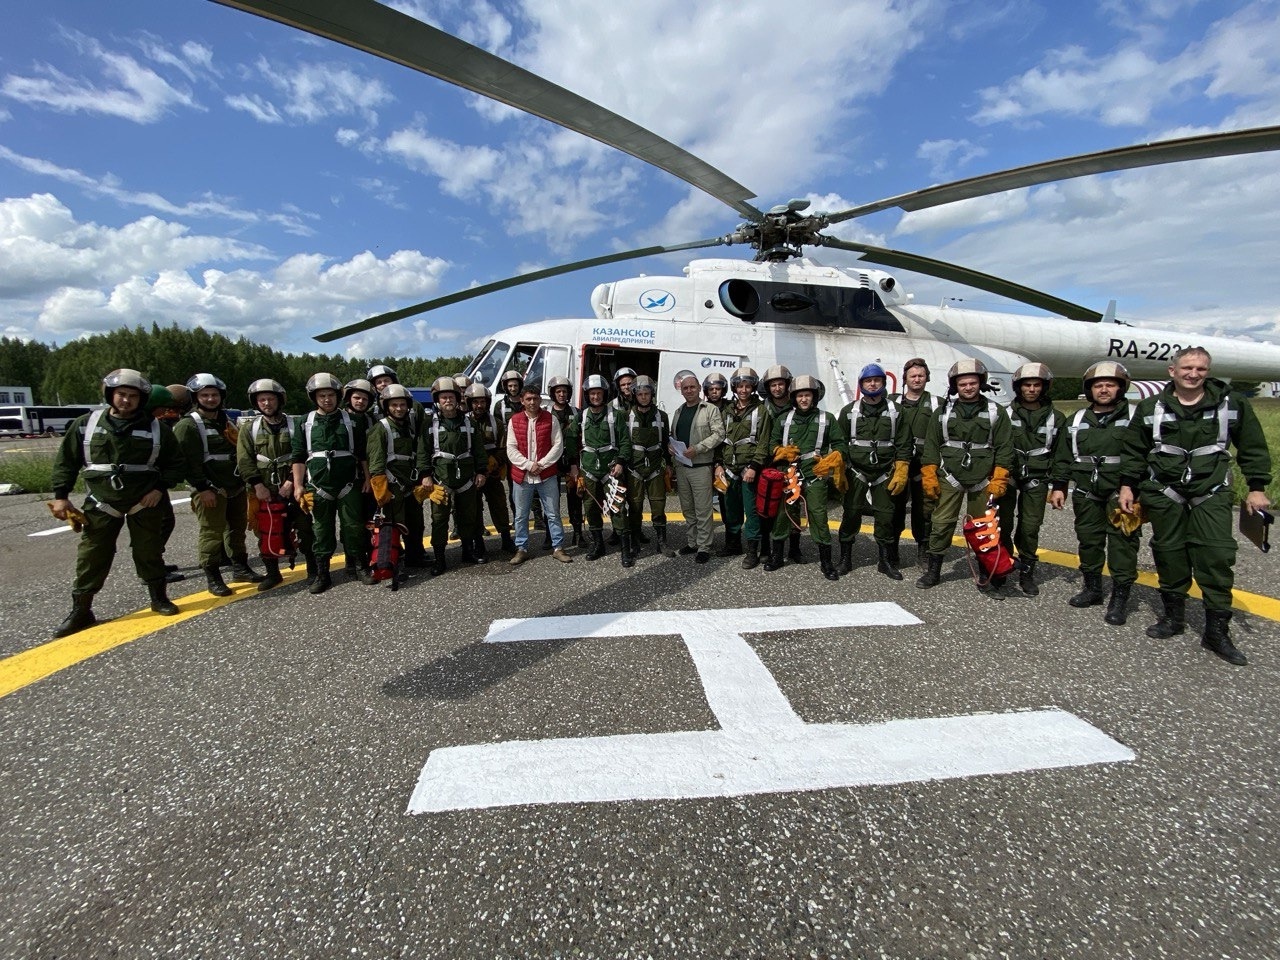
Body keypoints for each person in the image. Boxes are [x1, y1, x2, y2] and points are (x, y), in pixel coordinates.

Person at [1119, 347, 1273, 665]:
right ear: (1172, 371)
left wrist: (1257, 488)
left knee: (1215, 554)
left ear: (1208, 371)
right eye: (1187, 368)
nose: (1193, 374)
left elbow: (1252, 445)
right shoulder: (1151, 407)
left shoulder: (1232, 405)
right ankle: (1173, 618)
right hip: (1164, 491)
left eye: (1201, 369)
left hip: (1211, 490)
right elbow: (1134, 448)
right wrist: (1127, 486)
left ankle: (1217, 632)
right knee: (1168, 551)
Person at [49, 369, 186, 637]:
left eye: (133, 396)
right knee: (92, 555)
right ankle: (81, 609)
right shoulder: (86, 425)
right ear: (110, 395)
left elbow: (176, 464)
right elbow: (66, 461)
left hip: (144, 501)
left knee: (149, 551)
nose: (126, 400)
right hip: (102, 502)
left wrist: (160, 488)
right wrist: (60, 496)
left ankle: (159, 598)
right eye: (121, 394)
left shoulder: (157, 428)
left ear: (141, 399)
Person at [1047, 362, 1140, 625]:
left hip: (1123, 493)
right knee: (1088, 540)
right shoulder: (1077, 420)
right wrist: (1059, 486)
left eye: (1110, 384)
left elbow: (1144, 455)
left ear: (1121, 387)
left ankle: (1120, 599)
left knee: (1123, 543)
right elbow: (1063, 457)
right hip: (1087, 491)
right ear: (1090, 389)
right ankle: (1092, 588)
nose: (1104, 389)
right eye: (1098, 385)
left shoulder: (1135, 417)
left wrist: (1132, 486)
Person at [916, 359, 1014, 593]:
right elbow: (931, 444)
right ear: (955, 386)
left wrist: (1000, 476)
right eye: (963, 384)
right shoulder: (942, 413)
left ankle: (986, 573)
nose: (968, 387)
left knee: (984, 530)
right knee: (941, 524)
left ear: (980, 384)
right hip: (950, 476)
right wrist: (929, 472)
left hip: (983, 479)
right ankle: (934, 571)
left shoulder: (995, 412)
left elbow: (1005, 447)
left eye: (972, 383)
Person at [174, 373, 263, 596]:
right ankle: (213, 577)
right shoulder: (188, 425)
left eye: (214, 395)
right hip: (210, 490)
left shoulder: (225, 421)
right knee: (211, 534)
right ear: (196, 397)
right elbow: (186, 462)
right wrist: (202, 488)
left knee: (237, 530)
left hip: (235, 486)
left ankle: (240, 567)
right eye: (205, 395)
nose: (211, 399)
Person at [291, 373, 373, 594]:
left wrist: (367, 478)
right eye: (322, 395)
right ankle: (322, 573)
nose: (327, 399)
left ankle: (360, 567)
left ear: (338, 396)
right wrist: (298, 486)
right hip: (318, 487)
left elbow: (362, 454)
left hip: (349, 485)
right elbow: (298, 457)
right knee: (321, 531)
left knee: (354, 527)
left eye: (330, 395)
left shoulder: (352, 421)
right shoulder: (304, 422)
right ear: (315, 397)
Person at [764, 374, 847, 580]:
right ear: (794, 397)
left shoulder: (827, 419)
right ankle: (778, 555)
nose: (803, 399)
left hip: (815, 474)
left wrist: (834, 458)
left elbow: (840, 445)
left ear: (814, 396)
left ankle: (826, 562)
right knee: (784, 514)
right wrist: (780, 452)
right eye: (800, 395)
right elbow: (771, 443)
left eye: (807, 395)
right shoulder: (784, 419)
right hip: (788, 474)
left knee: (819, 515)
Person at [836, 364, 914, 580]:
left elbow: (904, 443)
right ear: (861, 385)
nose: (872, 384)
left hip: (885, 472)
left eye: (877, 380)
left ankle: (885, 561)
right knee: (850, 513)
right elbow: (840, 442)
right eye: (868, 381)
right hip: (856, 471)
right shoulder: (849, 412)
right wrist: (840, 467)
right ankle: (845, 559)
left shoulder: (897, 412)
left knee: (886, 516)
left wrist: (902, 468)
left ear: (883, 383)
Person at [237, 378, 316, 591]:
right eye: (261, 400)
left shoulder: (296, 424)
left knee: (306, 528)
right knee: (266, 532)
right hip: (262, 490)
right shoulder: (249, 428)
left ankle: (313, 570)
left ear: (279, 400)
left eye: (270, 398)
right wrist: (257, 485)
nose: (266, 403)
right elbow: (244, 459)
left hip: (294, 486)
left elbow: (303, 454)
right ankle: (273, 573)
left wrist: (292, 481)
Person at [998, 363, 1065, 595]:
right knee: (1002, 524)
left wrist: (1059, 485)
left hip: (1037, 476)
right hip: (1009, 477)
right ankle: (1003, 566)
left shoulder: (1056, 418)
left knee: (1029, 527)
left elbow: (1061, 454)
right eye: (1027, 384)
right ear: (1019, 387)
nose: (1032, 389)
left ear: (1044, 387)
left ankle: (1027, 571)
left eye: (1037, 385)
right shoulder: (1005, 414)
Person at [419, 376, 488, 574]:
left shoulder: (469, 423)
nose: (448, 401)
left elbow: (479, 450)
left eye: (451, 397)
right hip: (441, 479)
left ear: (458, 399)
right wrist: (425, 475)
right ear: (437, 401)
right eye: (444, 398)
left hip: (466, 478)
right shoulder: (428, 424)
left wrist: (481, 471)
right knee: (439, 520)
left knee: (468, 516)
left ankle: (467, 551)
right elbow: (423, 451)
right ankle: (440, 558)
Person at [367, 364, 428, 568]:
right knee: (391, 525)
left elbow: (422, 443)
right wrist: (380, 486)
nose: (399, 408)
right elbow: (375, 459)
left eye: (402, 405)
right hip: (391, 484)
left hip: (410, 480)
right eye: (378, 382)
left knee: (415, 523)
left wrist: (423, 474)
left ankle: (415, 555)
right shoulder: (379, 427)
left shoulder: (412, 417)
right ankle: (388, 559)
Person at [506, 385, 572, 565]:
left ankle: (558, 547)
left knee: (553, 513)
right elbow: (511, 449)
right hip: (522, 476)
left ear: (540, 400)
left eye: (535, 398)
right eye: (528, 399)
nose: (532, 402)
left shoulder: (551, 420)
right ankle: (522, 548)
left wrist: (541, 465)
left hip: (546, 475)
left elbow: (557, 446)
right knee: (521, 515)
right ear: (522, 401)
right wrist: (528, 465)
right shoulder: (514, 420)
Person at [717, 366, 773, 569]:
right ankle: (733, 545)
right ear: (734, 387)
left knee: (752, 511)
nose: (743, 390)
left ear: (753, 388)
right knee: (731, 509)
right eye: (740, 386)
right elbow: (719, 439)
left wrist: (754, 467)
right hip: (728, 468)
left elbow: (764, 442)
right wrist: (718, 465)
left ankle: (752, 551)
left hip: (749, 470)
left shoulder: (761, 410)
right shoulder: (727, 411)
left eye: (747, 386)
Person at [670, 371, 728, 562]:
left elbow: (719, 434)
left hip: (701, 465)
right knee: (688, 508)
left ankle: (704, 546)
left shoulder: (710, 409)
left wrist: (698, 448)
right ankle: (692, 542)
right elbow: (675, 436)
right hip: (682, 466)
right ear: (681, 391)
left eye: (692, 387)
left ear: (698, 389)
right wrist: (671, 447)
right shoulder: (679, 412)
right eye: (685, 388)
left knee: (703, 509)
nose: (689, 391)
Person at [889, 358, 941, 566]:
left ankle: (924, 549)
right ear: (905, 379)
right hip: (897, 464)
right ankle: (892, 551)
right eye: (913, 376)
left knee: (925, 511)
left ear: (927, 378)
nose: (917, 379)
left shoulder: (938, 404)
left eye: (921, 376)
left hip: (924, 464)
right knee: (894, 509)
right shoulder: (892, 403)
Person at [577, 374, 634, 564]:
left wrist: (620, 462)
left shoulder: (616, 415)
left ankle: (625, 549)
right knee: (591, 507)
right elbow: (571, 441)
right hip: (589, 469)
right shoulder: (581, 417)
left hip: (611, 469)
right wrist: (572, 467)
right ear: (587, 395)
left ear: (605, 394)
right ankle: (598, 544)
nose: (595, 397)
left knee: (617, 507)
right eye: (592, 394)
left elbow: (625, 442)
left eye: (599, 393)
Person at [759, 363, 807, 564]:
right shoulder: (763, 409)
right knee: (765, 507)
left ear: (787, 385)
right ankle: (765, 548)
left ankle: (794, 548)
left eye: (781, 384)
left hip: (791, 463)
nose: (777, 388)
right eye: (773, 385)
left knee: (793, 505)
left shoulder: (798, 406)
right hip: (766, 462)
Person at [621, 375, 673, 556]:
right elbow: (623, 442)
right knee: (634, 507)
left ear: (652, 394)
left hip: (656, 467)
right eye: (640, 393)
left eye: (647, 393)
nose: (644, 397)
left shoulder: (662, 416)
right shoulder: (626, 416)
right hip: (633, 468)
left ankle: (662, 542)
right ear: (634, 395)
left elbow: (666, 441)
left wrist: (669, 465)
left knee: (658, 506)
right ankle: (635, 542)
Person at [465, 382, 517, 555]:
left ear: (487, 402)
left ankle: (505, 538)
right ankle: (478, 542)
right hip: (471, 474)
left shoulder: (497, 423)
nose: (479, 405)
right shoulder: (463, 422)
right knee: (474, 509)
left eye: (482, 402)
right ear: (469, 403)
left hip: (492, 473)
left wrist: (493, 462)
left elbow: (505, 447)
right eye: (475, 402)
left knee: (499, 505)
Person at [547, 375, 585, 548]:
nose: (561, 394)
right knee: (550, 500)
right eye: (558, 391)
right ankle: (550, 535)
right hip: (552, 462)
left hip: (572, 462)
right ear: (553, 394)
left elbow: (581, 439)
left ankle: (578, 533)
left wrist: (576, 463)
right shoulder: (546, 414)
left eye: (564, 391)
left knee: (575, 499)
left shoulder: (577, 413)